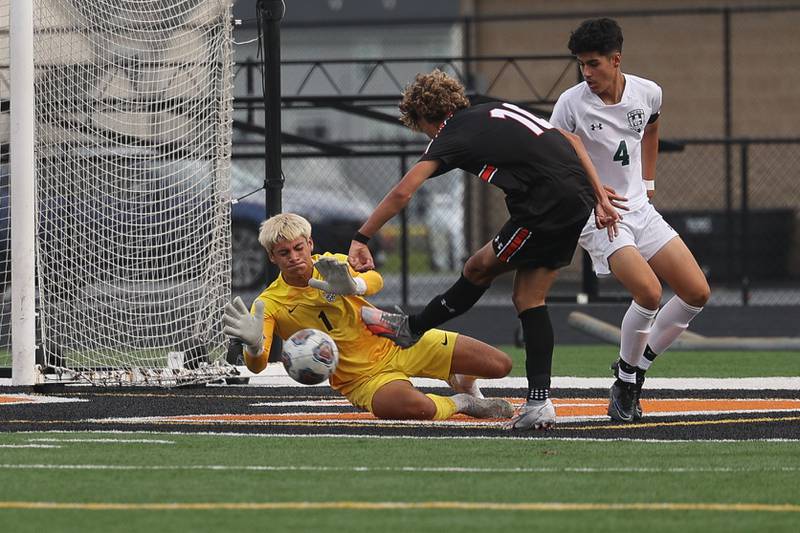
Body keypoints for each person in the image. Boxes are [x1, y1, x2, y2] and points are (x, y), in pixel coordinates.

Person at [347, 70, 625, 430]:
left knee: (479, 267)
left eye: (421, 128)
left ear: (424, 117)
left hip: (545, 206)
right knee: (528, 298)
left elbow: (403, 191)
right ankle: (539, 402)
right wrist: (599, 196)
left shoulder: (450, 133)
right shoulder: (485, 107)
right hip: (576, 196)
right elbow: (571, 139)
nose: (426, 137)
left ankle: (412, 328)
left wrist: (362, 236)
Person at [549, 18, 711, 422]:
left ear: (616, 59)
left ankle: (631, 372)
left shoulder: (648, 92)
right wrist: (595, 199)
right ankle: (626, 382)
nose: (586, 74)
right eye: (581, 65)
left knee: (696, 292)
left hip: (640, 209)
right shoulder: (570, 104)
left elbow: (652, 129)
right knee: (650, 294)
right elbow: (552, 164)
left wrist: (648, 182)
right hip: (599, 215)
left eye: (593, 64)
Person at [222, 213, 514, 421]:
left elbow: (375, 280)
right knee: (416, 409)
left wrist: (355, 285)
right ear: (272, 258)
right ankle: (463, 402)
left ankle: (460, 379)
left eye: (299, 248)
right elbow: (257, 366)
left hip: (397, 339)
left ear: (310, 244)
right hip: (362, 379)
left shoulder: (330, 264)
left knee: (501, 365)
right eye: (283, 253)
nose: (294, 257)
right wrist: (254, 346)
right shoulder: (269, 303)